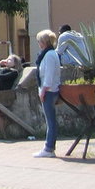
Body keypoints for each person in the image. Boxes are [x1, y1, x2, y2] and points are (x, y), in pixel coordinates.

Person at [34, 30, 61, 158]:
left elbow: (49, 76)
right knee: (50, 120)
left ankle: (49, 148)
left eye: (39, 41)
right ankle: (49, 147)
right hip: (49, 90)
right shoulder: (51, 54)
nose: (38, 44)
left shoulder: (49, 55)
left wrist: (43, 90)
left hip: (49, 91)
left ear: (43, 42)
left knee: (50, 121)